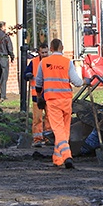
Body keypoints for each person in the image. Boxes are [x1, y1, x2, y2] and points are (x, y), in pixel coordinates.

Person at [34, 38, 83, 169]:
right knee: (64, 130)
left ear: (50, 48)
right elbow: (77, 82)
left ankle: (66, 155)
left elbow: (38, 82)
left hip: (52, 101)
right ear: (62, 48)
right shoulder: (67, 62)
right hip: (66, 100)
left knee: (58, 130)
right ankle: (57, 158)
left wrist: (39, 97)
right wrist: (85, 80)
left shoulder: (44, 62)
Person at [24, 44, 50, 147]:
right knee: (37, 118)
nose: (44, 54)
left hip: (48, 94)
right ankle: (37, 139)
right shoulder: (34, 62)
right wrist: (28, 75)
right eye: (42, 52)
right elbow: (26, 74)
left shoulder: (51, 62)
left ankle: (49, 137)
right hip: (37, 95)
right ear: (39, 52)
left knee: (49, 117)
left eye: (46, 52)